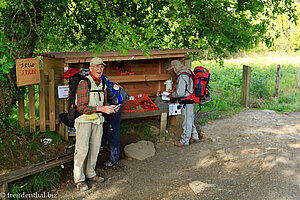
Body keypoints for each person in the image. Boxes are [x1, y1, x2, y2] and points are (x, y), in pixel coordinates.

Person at [74, 57, 119, 191]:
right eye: (97, 67)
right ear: (91, 68)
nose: (99, 69)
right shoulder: (84, 83)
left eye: (101, 67)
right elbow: (81, 107)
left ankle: (91, 174)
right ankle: (79, 179)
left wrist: (110, 108)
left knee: (95, 148)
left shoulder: (103, 84)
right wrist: (101, 109)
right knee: (82, 150)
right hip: (84, 121)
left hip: (98, 120)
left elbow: (103, 102)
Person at [168, 60, 200, 147]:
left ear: (175, 68)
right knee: (190, 119)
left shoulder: (182, 76)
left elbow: (181, 93)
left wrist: (172, 95)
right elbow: (187, 88)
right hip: (192, 99)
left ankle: (184, 141)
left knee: (186, 121)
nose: (173, 71)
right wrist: (175, 91)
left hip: (187, 101)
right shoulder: (188, 72)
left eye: (173, 69)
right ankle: (195, 136)